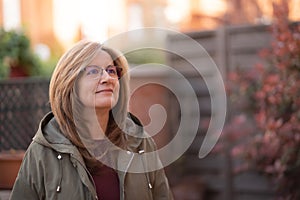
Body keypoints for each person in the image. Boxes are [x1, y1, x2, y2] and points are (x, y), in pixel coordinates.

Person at [10, 40, 173, 200]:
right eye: (93, 71)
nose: (107, 78)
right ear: (70, 84)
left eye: (111, 71)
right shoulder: (42, 151)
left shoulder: (140, 143)